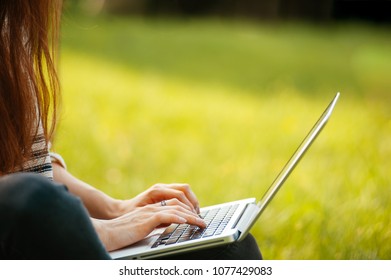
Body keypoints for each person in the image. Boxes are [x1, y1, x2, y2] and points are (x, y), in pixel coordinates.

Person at [0, 0, 262, 260]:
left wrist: (114, 209)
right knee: (29, 199)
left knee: (231, 251)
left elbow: (25, 163)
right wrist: (103, 231)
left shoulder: (12, 22)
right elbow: (25, 197)